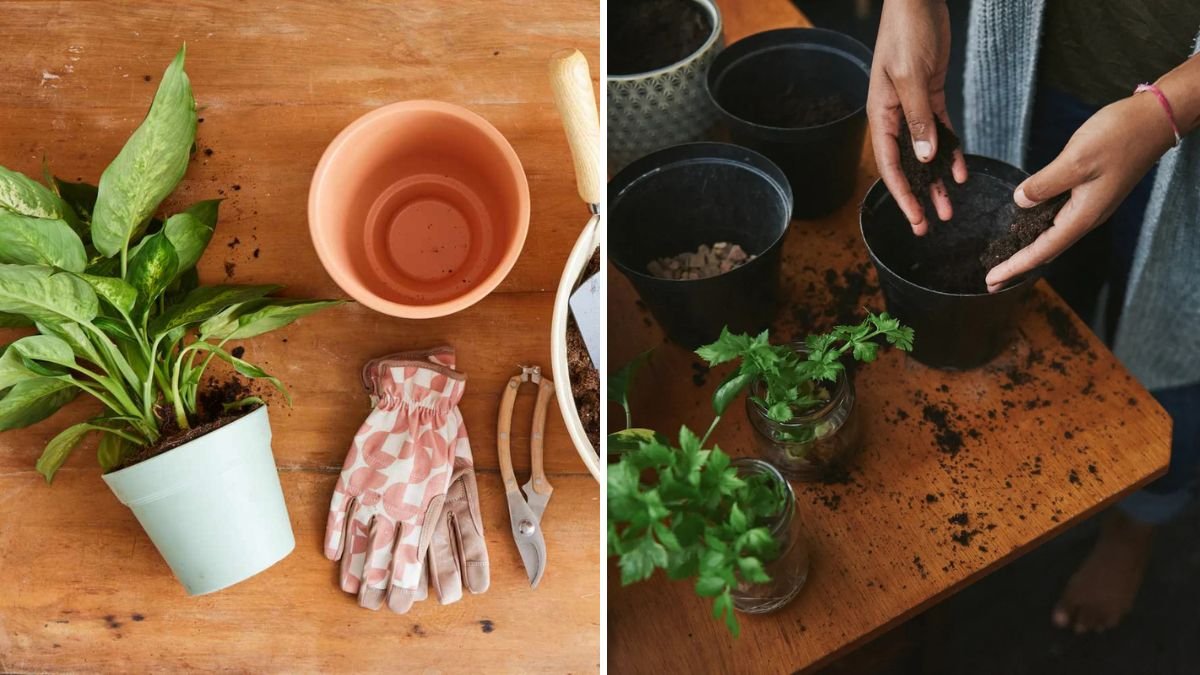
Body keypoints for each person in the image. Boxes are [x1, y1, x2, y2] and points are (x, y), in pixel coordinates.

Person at [867, 0, 1200, 634]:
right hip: (1047, 54)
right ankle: (1049, 450)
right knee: (1041, 287)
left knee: (1177, 340)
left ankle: (1139, 524)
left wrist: (1172, 107)